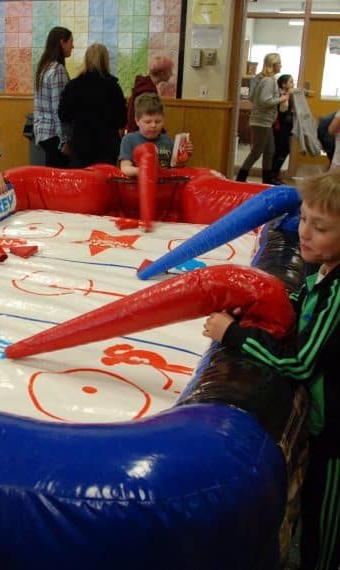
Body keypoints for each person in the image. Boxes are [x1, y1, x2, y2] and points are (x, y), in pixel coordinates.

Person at [203, 170, 340, 570]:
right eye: (304, 219)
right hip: (321, 426)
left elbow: (299, 362)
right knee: (311, 508)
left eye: (322, 228)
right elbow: (294, 303)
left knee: (324, 524)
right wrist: (250, 311)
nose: (305, 234)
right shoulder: (322, 270)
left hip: (336, 439)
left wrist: (233, 336)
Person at [58, 43, 127, 169]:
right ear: (105, 61)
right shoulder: (113, 87)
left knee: (81, 184)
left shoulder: (73, 86)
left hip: (80, 146)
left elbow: (63, 115)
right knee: (104, 185)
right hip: (107, 147)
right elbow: (122, 120)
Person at [236, 52, 289, 184]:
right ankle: (241, 177)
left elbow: (253, 98)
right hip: (262, 121)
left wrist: (277, 95)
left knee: (270, 151)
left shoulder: (260, 79)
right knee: (257, 152)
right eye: (280, 63)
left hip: (263, 121)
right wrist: (281, 98)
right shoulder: (269, 81)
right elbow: (265, 101)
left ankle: (267, 179)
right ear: (274, 64)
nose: (281, 66)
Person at [119, 93, 193, 176]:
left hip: (164, 186)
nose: (153, 125)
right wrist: (148, 171)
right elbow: (125, 168)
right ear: (137, 121)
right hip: (138, 186)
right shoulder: (129, 140)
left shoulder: (167, 140)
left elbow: (175, 168)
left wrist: (183, 157)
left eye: (158, 121)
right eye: (148, 122)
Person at [33, 26, 74, 168]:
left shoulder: (43, 67)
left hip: (43, 132)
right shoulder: (58, 70)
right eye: (70, 42)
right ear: (62, 42)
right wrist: (65, 140)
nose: (72, 46)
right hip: (55, 134)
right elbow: (59, 108)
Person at [125, 55, 174, 133]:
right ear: (162, 73)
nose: (171, 74)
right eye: (170, 70)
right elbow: (150, 117)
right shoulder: (147, 91)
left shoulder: (144, 86)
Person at [271, 74, 295, 184]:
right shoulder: (280, 95)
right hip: (279, 127)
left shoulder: (288, 95)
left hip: (286, 126)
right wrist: (287, 96)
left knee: (283, 150)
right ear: (284, 84)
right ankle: (273, 175)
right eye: (291, 82)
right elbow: (282, 110)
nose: (293, 84)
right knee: (281, 150)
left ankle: (275, 174)